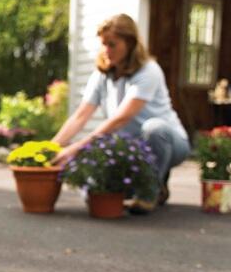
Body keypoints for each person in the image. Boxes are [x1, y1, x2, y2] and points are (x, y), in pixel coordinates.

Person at [51, 13, 190, 213]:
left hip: (170, 143)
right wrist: (51, 148)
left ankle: (147, 194)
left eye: (112, 44)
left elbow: (121, 118)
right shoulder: (101, 75)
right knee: (96, 192)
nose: (106, 50)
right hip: (130, 146)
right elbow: (81, 115)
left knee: (154, 129)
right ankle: (152, 183)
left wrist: (76, 148)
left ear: (130, 43)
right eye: (103, 44)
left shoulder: (148, 71)